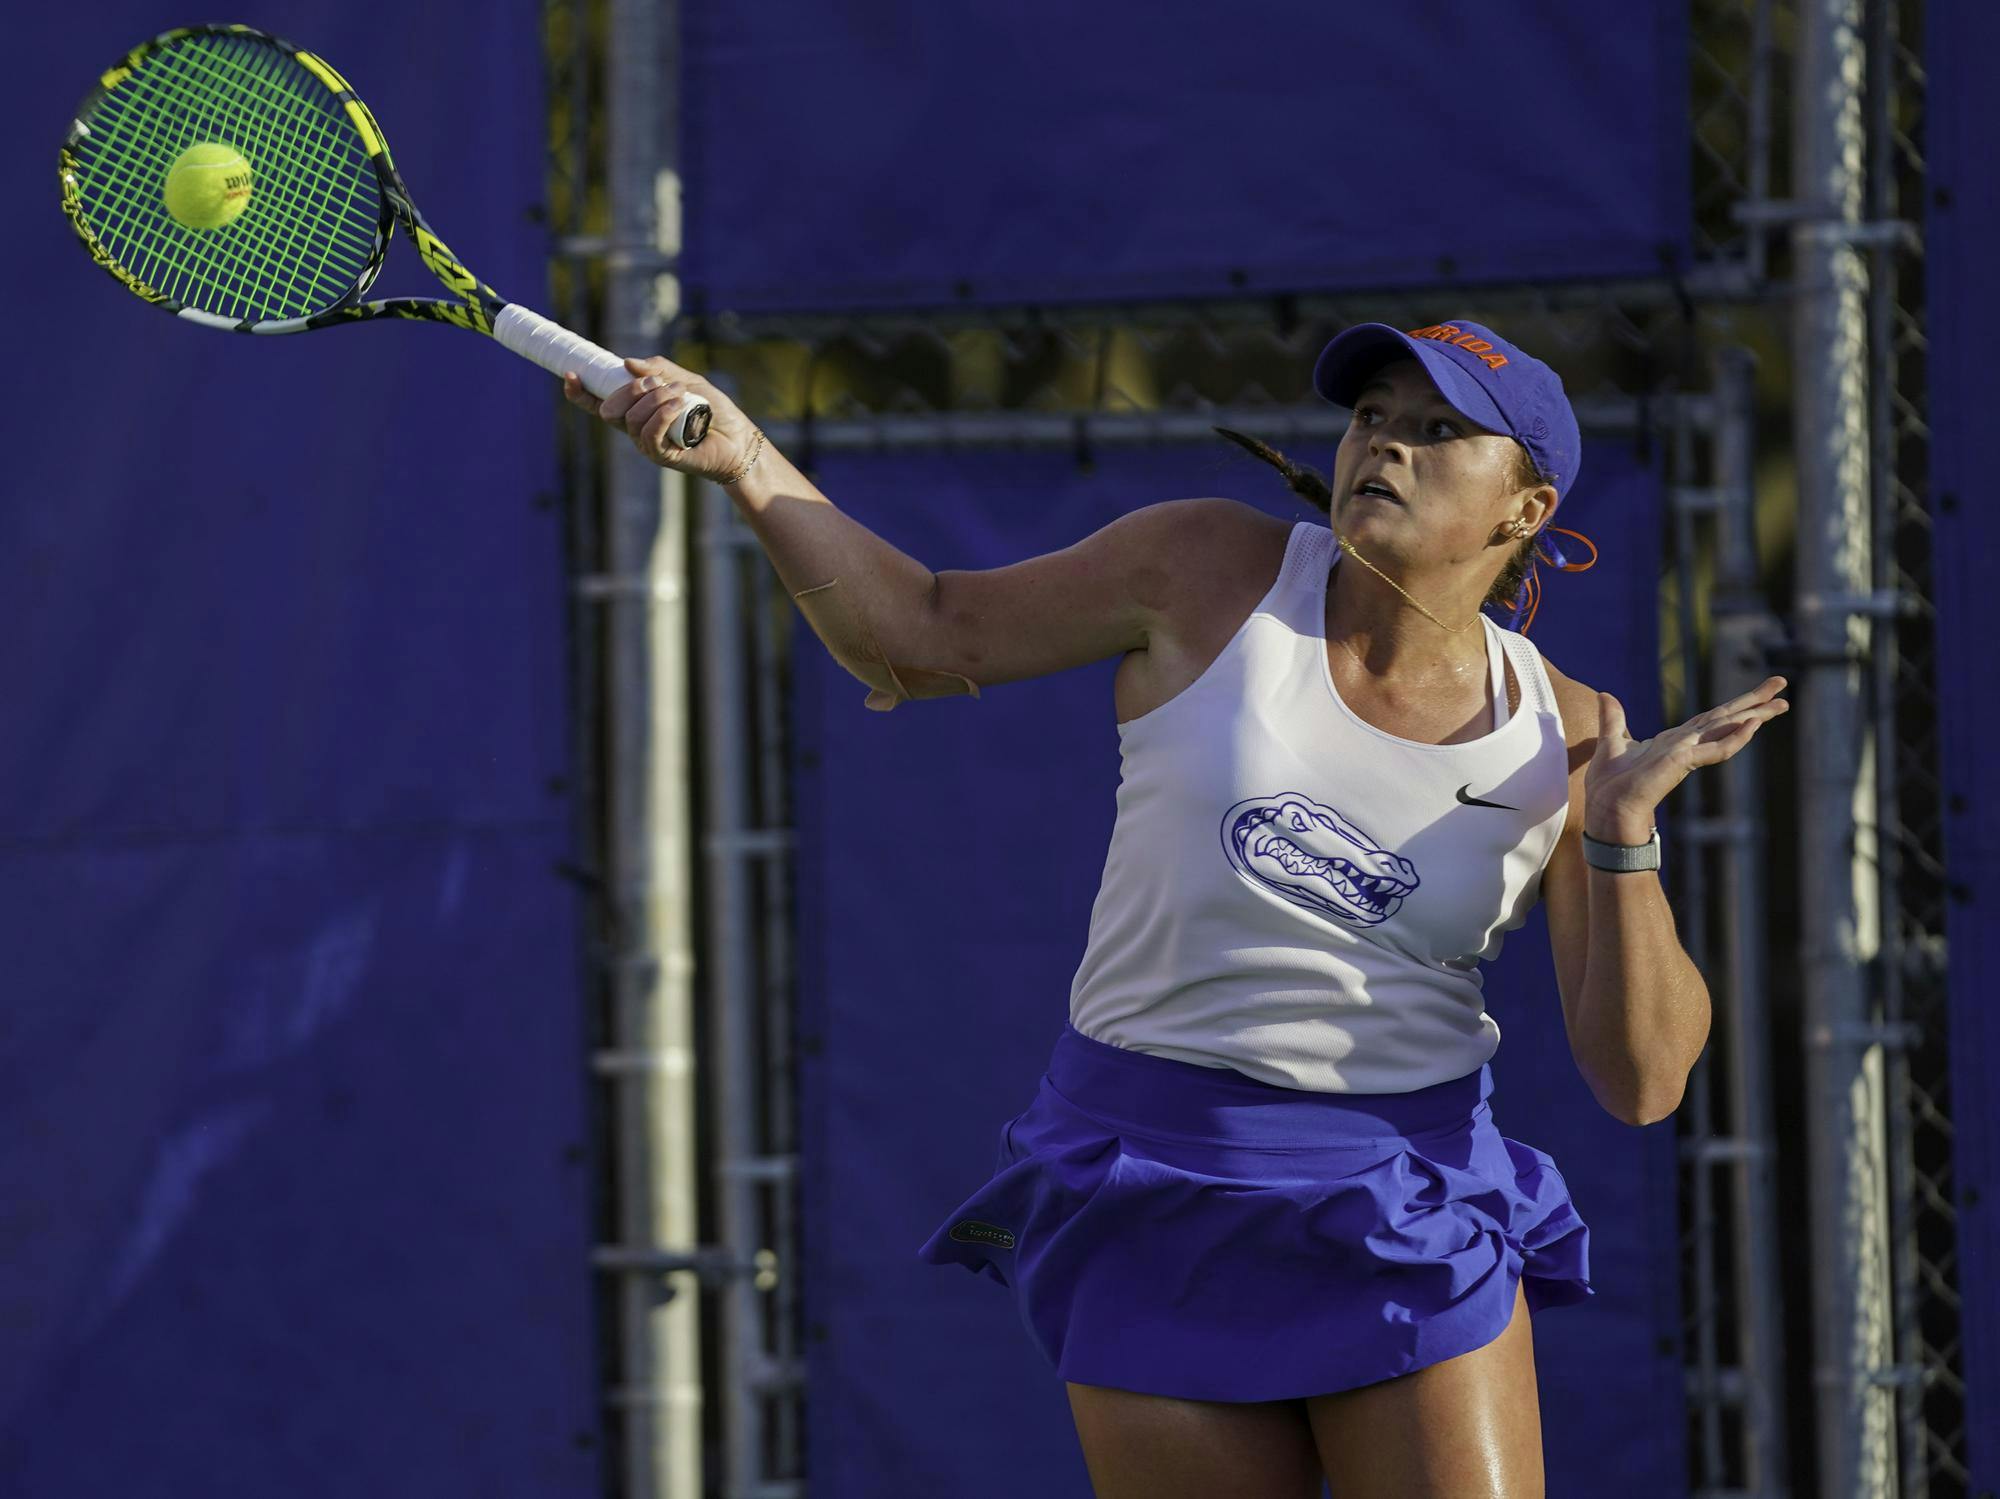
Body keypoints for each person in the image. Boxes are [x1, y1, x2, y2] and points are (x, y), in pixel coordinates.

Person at [565, 320, 1789, 1499]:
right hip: (1148, 1180)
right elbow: (915, 636)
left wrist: (1621, 834)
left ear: (1523, 511)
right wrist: (741, 454)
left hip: (1407, 1193)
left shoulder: (1567, 728)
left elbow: (1642, 1081)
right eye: (1372, 416)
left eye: (1437, 430)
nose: (1386, 446)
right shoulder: (1203, 565)